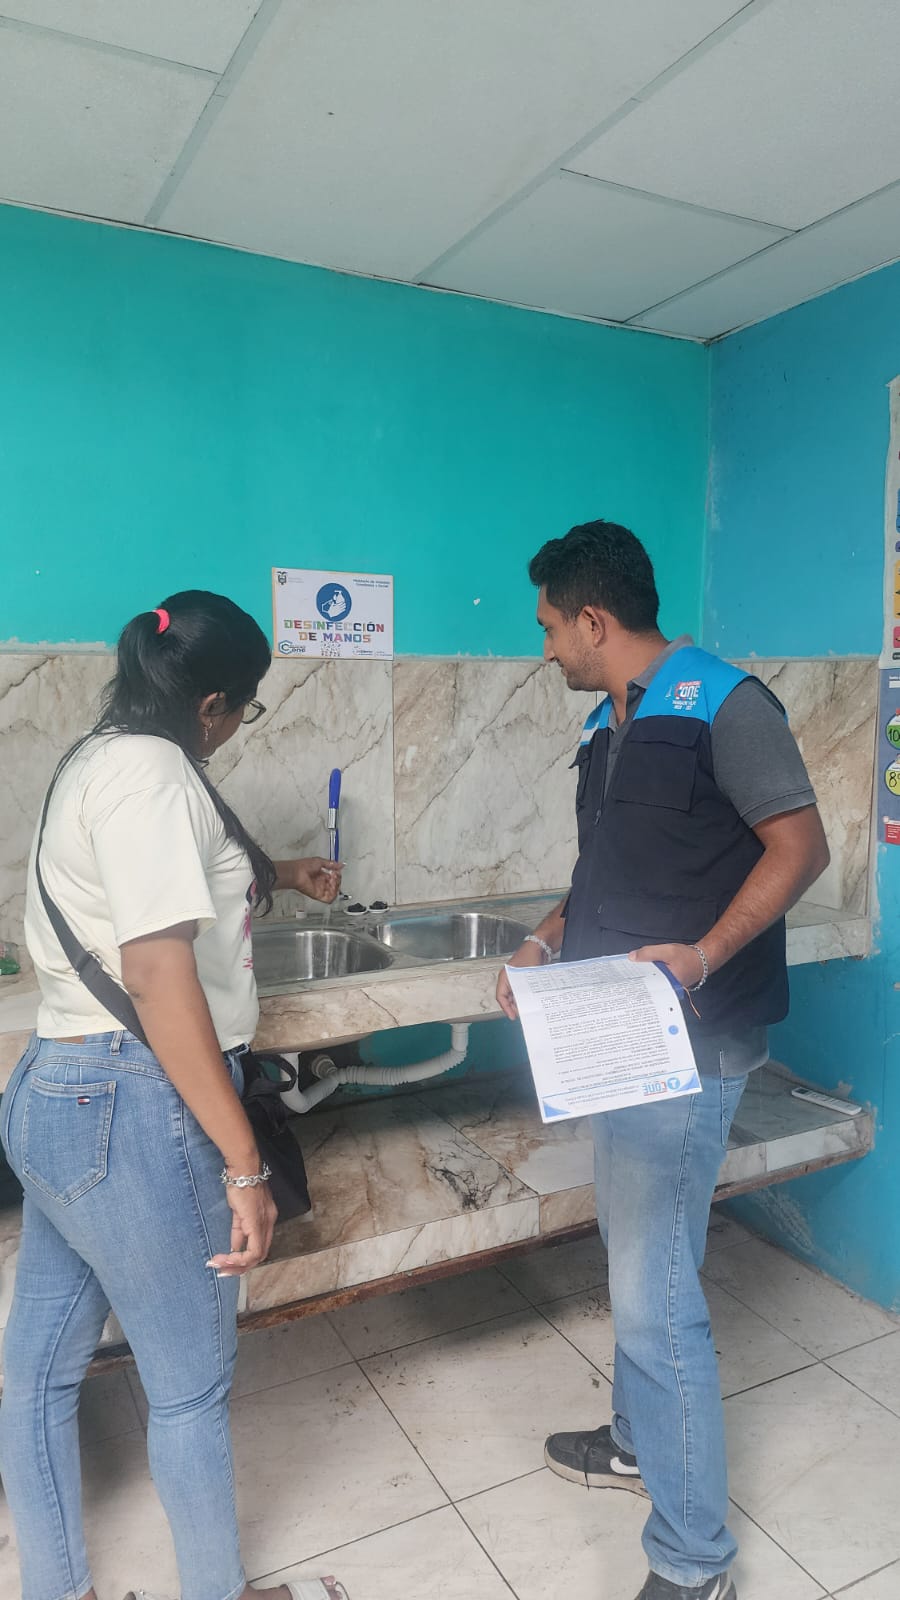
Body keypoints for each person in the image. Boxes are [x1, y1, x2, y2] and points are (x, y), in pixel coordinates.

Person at [497, 522, 829, 1600]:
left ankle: (693, 1564)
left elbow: (801, 846)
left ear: (595, 620)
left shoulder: (727, 705)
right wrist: (544, 938)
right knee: (638, 1255)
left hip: (692, 1045)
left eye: (551, 627)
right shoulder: (609, 723)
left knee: (654, 1300)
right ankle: (640, 1443)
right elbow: (605, 868)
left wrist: (703, 953)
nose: (547, 647)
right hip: (618, 1045)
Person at [0, 591, 351, 1600]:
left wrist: (279, 869)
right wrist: (243, 1162)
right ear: (210, 704)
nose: (240, 724)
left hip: (58, 1093)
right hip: (133, 1104)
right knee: (191, 1388)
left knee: (39, 1375)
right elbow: (159, 977)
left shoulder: (98, 757)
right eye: (246, 706)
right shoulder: (156, 775)